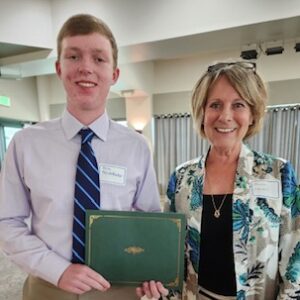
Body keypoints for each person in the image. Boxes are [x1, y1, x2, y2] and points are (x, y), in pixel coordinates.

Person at [0, 14, 161, 300]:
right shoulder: (25, 143)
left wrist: (152, 267)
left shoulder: (137, 146)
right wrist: (57, 269)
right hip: (47, 285)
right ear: (59, 68)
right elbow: (7, 221)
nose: (86, 67)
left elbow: (150, 220)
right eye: (74, 57)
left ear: (114, 74)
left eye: (99, 59)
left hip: (119, 287)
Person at [136, 61, 300, 300]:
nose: (225, 116)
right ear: (201, 113)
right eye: (215, 105)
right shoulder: (182, 178)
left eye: (238, 105)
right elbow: (172, 255)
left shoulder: (278, 173)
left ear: (252, 114)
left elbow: (296, 258)